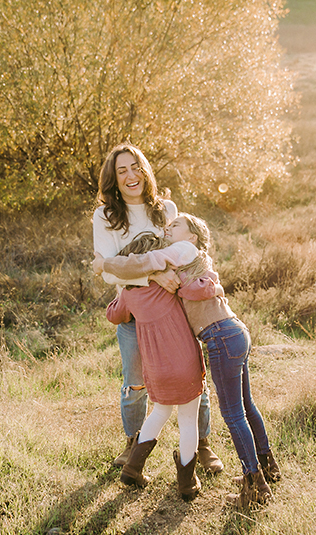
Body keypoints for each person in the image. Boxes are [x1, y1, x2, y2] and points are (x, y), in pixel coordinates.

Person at [94, 213, 281, 508]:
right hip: (216, 341)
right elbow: (192, 285)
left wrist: (111, 267)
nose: (168, 228)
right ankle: (253, 472)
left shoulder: (182, 254)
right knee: (233, 410)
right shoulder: (179, 270)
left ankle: (253, 485)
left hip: (194, 349)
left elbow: (139, 278)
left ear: (191, 236)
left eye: (175, 226)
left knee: (220, 414)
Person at [92, 143, 223, 474]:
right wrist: (153, 273)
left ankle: (202, 444)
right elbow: (107, 271)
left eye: (136, 167)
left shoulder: (165, 208)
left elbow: (185, 250)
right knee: (135, 380)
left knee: (192, 373)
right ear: (113, 179)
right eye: (121, 171)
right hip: (135, 310)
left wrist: (164, 274)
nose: (130, 176)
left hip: (173, 308)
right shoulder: (105, 216)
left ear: (145, 170)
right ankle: (133, 445)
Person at [105, 233, 206, 501]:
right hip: (184, 360)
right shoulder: (170, 282)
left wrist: (124, 293)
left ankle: (133, 467)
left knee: (159, 412)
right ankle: (186, 484)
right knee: (187, 420)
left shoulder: (129, 293)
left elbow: (113, 315)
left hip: (156, 366)